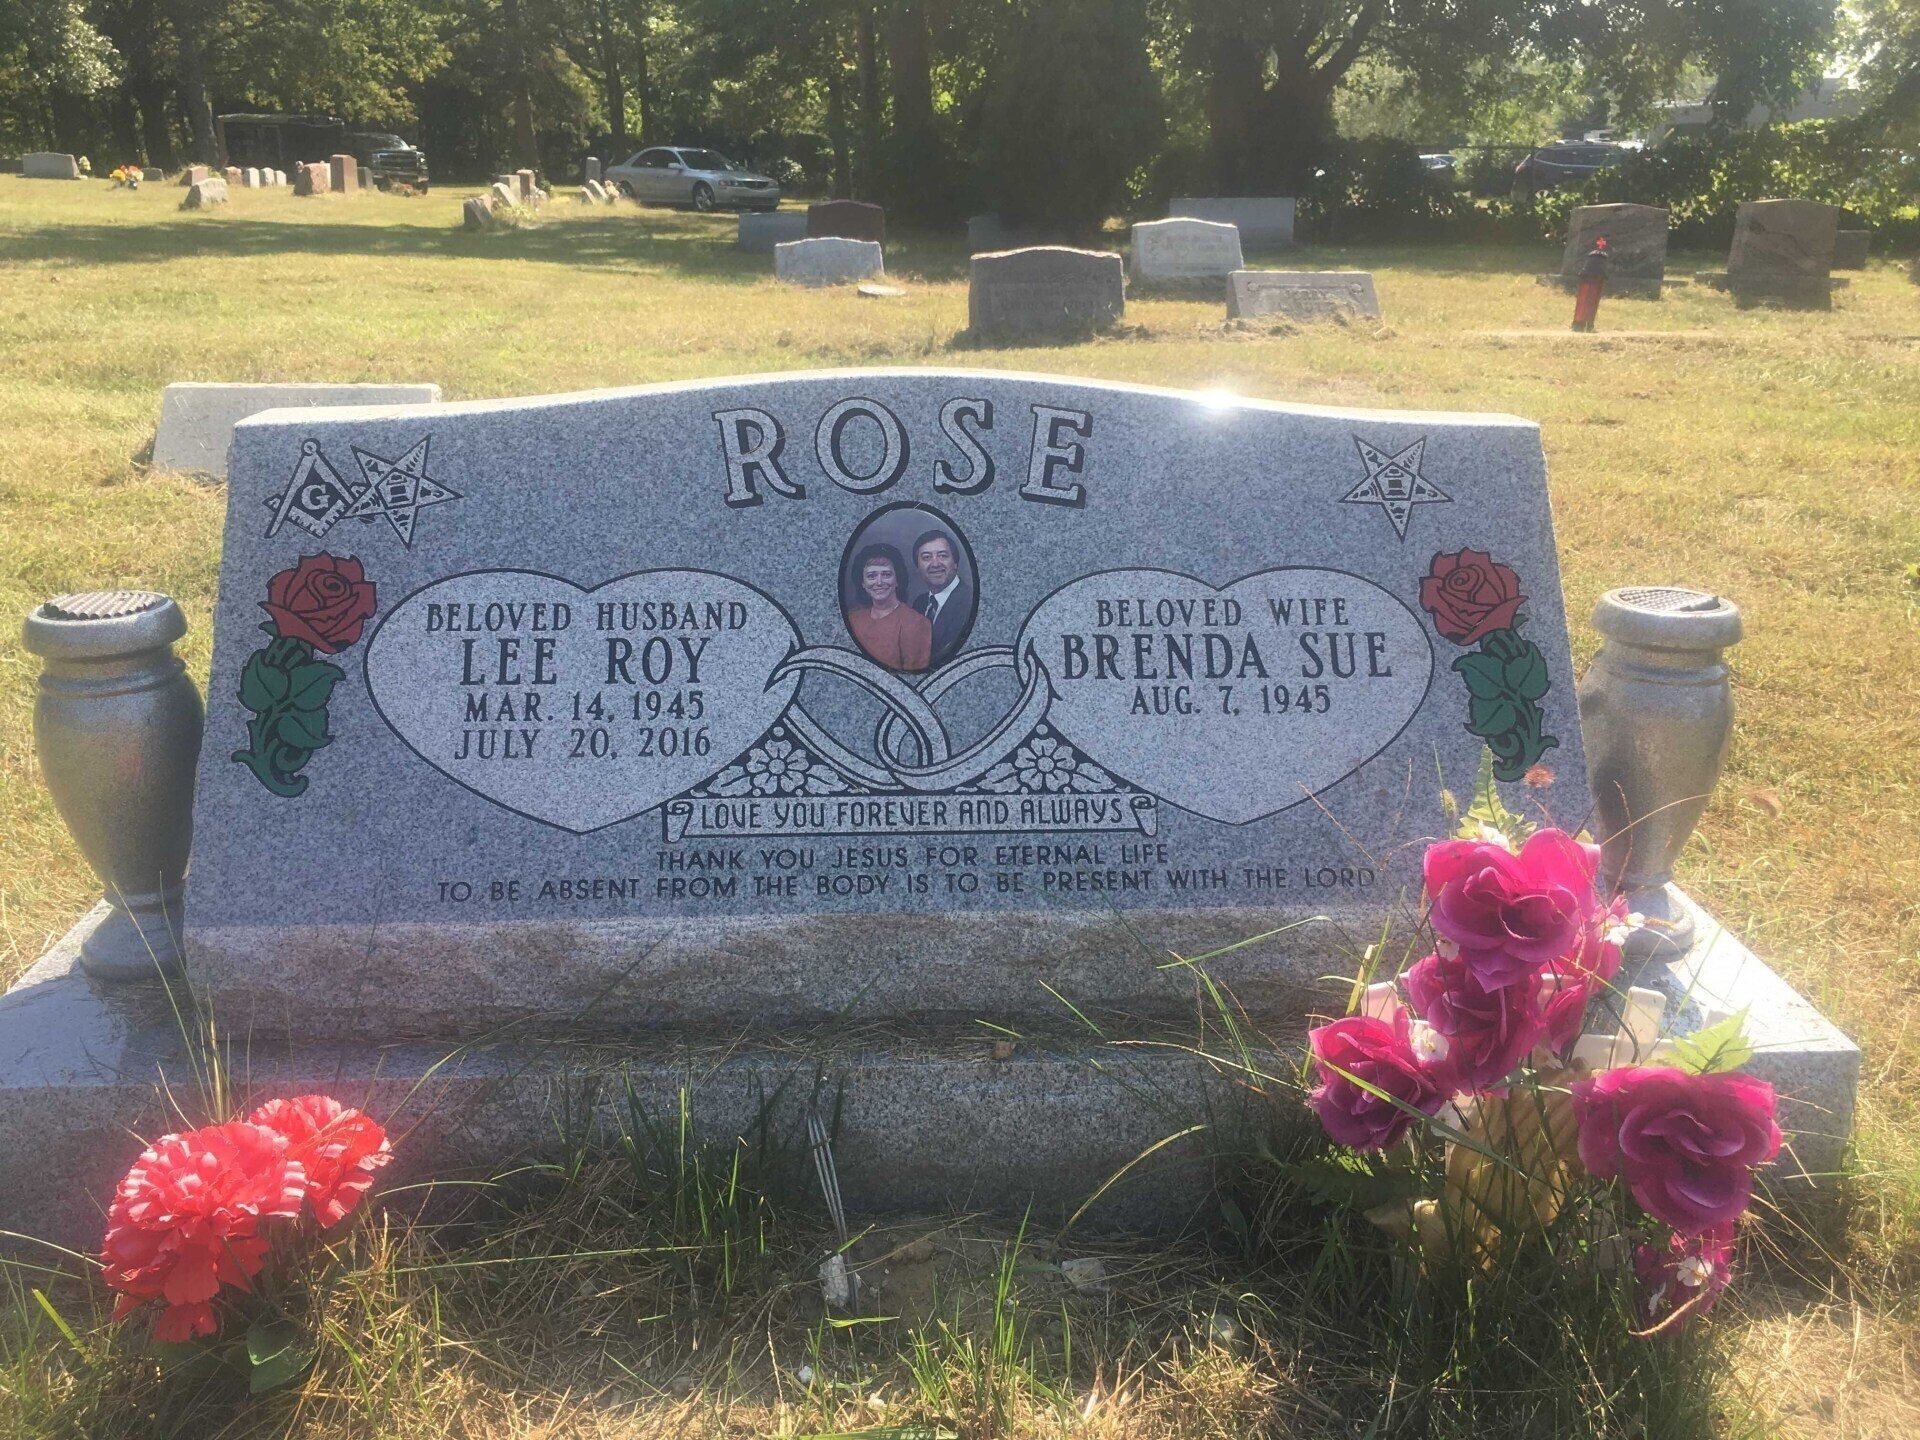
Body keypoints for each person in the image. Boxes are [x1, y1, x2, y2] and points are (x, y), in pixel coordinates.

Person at [845, 542, 931, 672]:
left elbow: (912, 678)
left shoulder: (916, 623)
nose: (879, 582)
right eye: (871, 576)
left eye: (886, 575)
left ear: (897, 580)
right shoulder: (853, 619)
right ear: (862, 583)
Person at [910, 528, 972, 666]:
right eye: (926, 557)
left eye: (943, 556)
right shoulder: (919, 604)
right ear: (918, 567)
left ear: (955, 563)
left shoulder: (969, 601)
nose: (935, 564)